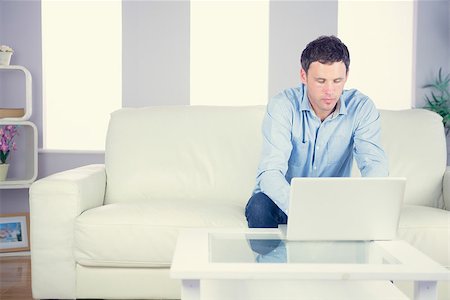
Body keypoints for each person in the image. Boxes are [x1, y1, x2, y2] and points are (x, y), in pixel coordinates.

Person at [245, 35, 388, 228]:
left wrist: (365, 204)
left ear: (346, 76)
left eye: (337, 80)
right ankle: (273, 259)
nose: (330, 90)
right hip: (284, 203)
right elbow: (270, 173)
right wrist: (305, 213)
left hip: (334, 203)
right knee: (259, 207)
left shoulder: (361, 107)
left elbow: (374, 165)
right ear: (303, 76)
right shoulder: (283, 106)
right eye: (321, 81)